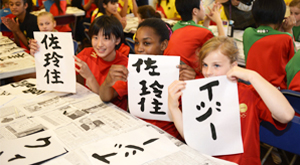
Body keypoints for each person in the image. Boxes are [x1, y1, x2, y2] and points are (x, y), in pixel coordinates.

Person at [168, 36, 295, 165]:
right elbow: (192, 137)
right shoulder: (198, 90)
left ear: (233, 66)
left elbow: (286, 115)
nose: (208, 72)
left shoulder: (249, 93)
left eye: (216, 65)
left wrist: (253, 76)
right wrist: (173, 108)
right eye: (205, 65)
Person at [99, 18, 195, 141]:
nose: (139, 48)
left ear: (163, 45)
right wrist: (108, 82)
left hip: (170, 136)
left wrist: (192, 84)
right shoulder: (134, 70)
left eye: (147, 43)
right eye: (137, 42)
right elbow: (106, 97)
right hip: (138, 130)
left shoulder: (180, 71)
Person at [75, 15, 128, 110]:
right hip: (88, 107)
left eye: (106, 38)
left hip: (113, 112)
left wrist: (90, 77)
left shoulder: (124, 65)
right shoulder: (87, 53)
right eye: (95, 37)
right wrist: (39, 53)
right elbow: (62, 71)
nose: (99, 44)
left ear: (117, 40)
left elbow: (105, 99)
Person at [164, 0, 224, 78]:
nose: (205, 8)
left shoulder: (176, 26)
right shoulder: (204, 32)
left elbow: (201, 38)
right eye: (202, 5)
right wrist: (219, 21)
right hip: (191, 76)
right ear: (195, 11)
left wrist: (207, 19)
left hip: (172, 72)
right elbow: (223, 47)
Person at [243, 0, 296, 90]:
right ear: (280, 17)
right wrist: (288, 30)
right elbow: (293, 66)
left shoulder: (248, 33)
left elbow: (268, 35)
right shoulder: (286, 38)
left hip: (252, 88)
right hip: (277, 92)